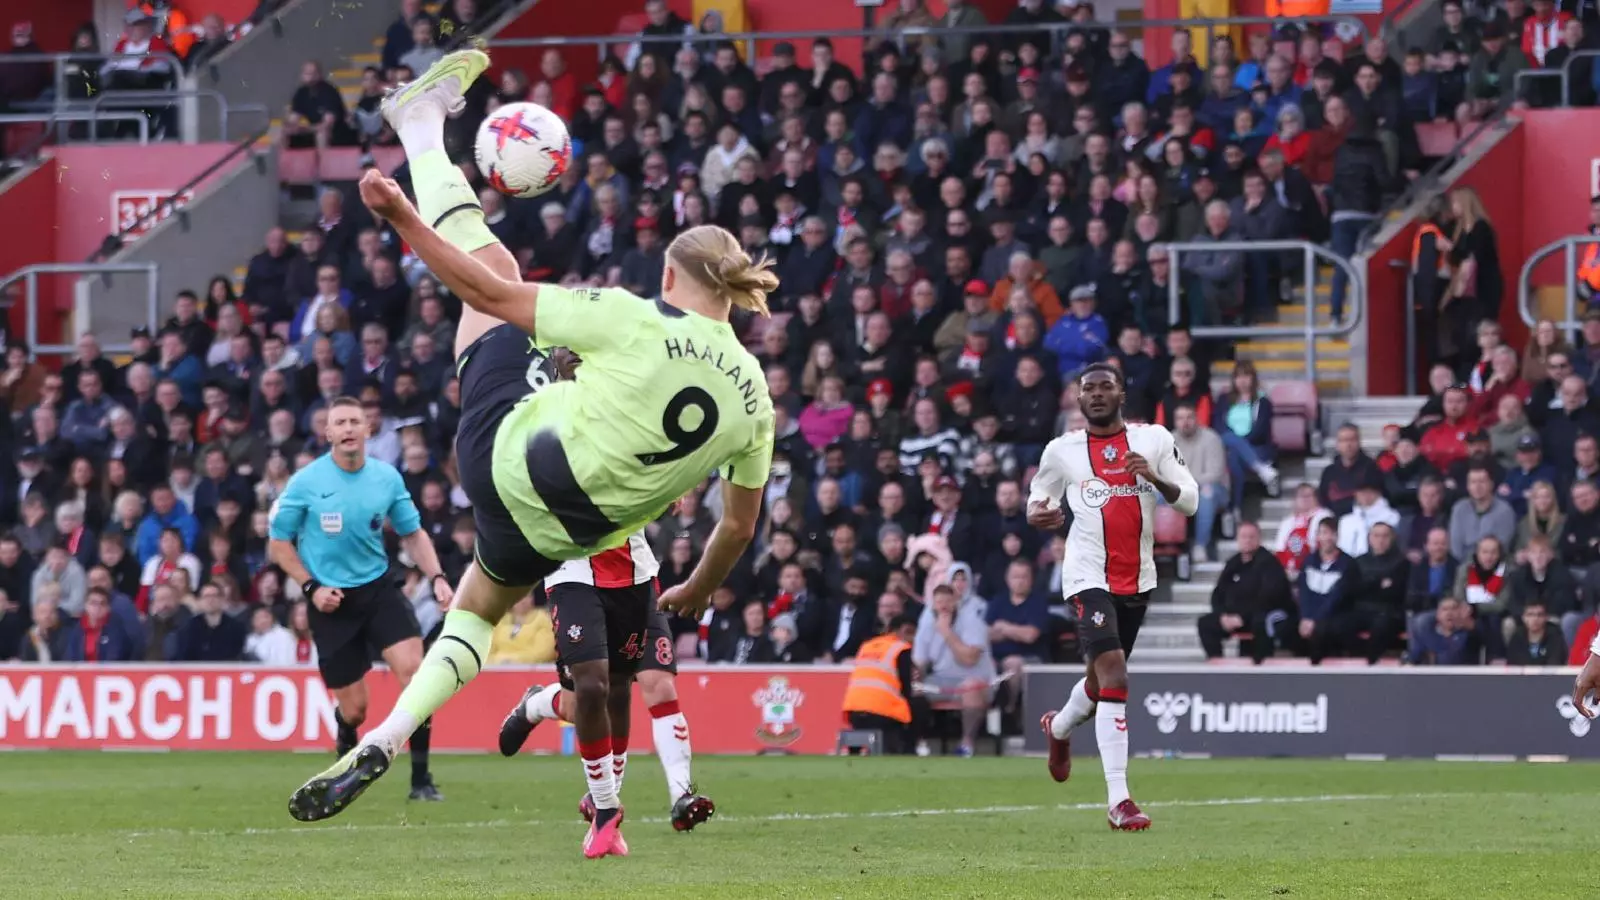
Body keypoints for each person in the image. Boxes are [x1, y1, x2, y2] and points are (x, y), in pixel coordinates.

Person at [291, 50, 774, 862]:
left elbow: (485, 297)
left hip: (506, 457)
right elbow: (736, 528)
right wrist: (693, 590)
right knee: (477, 610)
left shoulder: (636, 317)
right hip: (568, 533)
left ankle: (418, 128)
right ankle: (386, 735)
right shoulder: (757, 399)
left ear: (669, 273)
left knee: (502, 267)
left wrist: (402, 217)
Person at [495, 354, 714, 835]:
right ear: (554, 360)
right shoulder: (543, 417)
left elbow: (663, 455)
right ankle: (541, 703)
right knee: (592, 694)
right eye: (566, 348)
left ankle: (681, 794)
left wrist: (671, 482)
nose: (576, 354)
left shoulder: (622, 407)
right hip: (572, 571)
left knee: (655, 685)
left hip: (635, 571)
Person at [1029, 362, 1199, 831]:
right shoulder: (1061, 450)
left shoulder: (1154, 440)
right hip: (1086, 576)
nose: (1097, 394)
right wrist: (1037, 515)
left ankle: (1059, 728)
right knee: (1116, 673)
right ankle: (1119, 800)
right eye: (1089, 389)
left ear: (1122, 393)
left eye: (1106, 387)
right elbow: (1037, 497)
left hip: (1138, 577)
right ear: (1078, 399)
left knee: (1100, 681)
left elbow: (1190, 500)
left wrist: (1156, 480)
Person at [271, 395, 453, 803]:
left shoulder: (387, 478)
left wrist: (437, 576)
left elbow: (413, 533)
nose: (349, 428)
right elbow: (279, 545)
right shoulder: (305, 482)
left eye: (356, 420)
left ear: (369, 430)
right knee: (355, 710)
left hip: (377, 589)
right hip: (330, 600)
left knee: (416, 674)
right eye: (341, 422)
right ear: (328, 433)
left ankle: (421, 780)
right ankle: (344, 744)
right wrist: (311, 588)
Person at [841, 614, 920, 753]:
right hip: (882, 713)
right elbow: (906, 687)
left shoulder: (867, 646)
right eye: (910, 633)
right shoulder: (901, 648)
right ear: (900, 631)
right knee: (918, 707)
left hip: (853, 712)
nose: (912, 639)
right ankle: (910, 751)